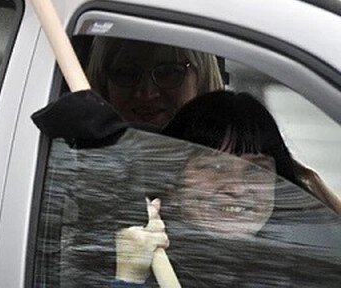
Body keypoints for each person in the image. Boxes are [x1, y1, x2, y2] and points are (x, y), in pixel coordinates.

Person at [112, 91, 341, 286]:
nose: (237, 187)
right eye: (216, 165)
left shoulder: (313, 264)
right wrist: (129, 278)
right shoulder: (131, 260)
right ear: (172, 183)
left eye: (256, 170)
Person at [86, 37, 224, 130]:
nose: (147, 94)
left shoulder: (226, 156)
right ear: (103, 81)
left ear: (202, 78)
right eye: (126, 73)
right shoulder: (78, 153)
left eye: (168, 72)